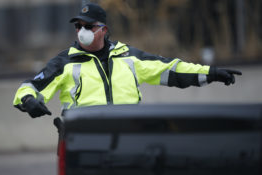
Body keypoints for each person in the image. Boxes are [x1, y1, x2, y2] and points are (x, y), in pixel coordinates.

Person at [13, 3, 242, 118]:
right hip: (81, 139)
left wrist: (210, 73)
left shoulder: (128, 57)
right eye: (78, 26)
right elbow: (31, 86)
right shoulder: (64, 62)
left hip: (127, 136)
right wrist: (28, 101)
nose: (82, 31)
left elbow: (171, 69)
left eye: (88, 26)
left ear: (103, 30)